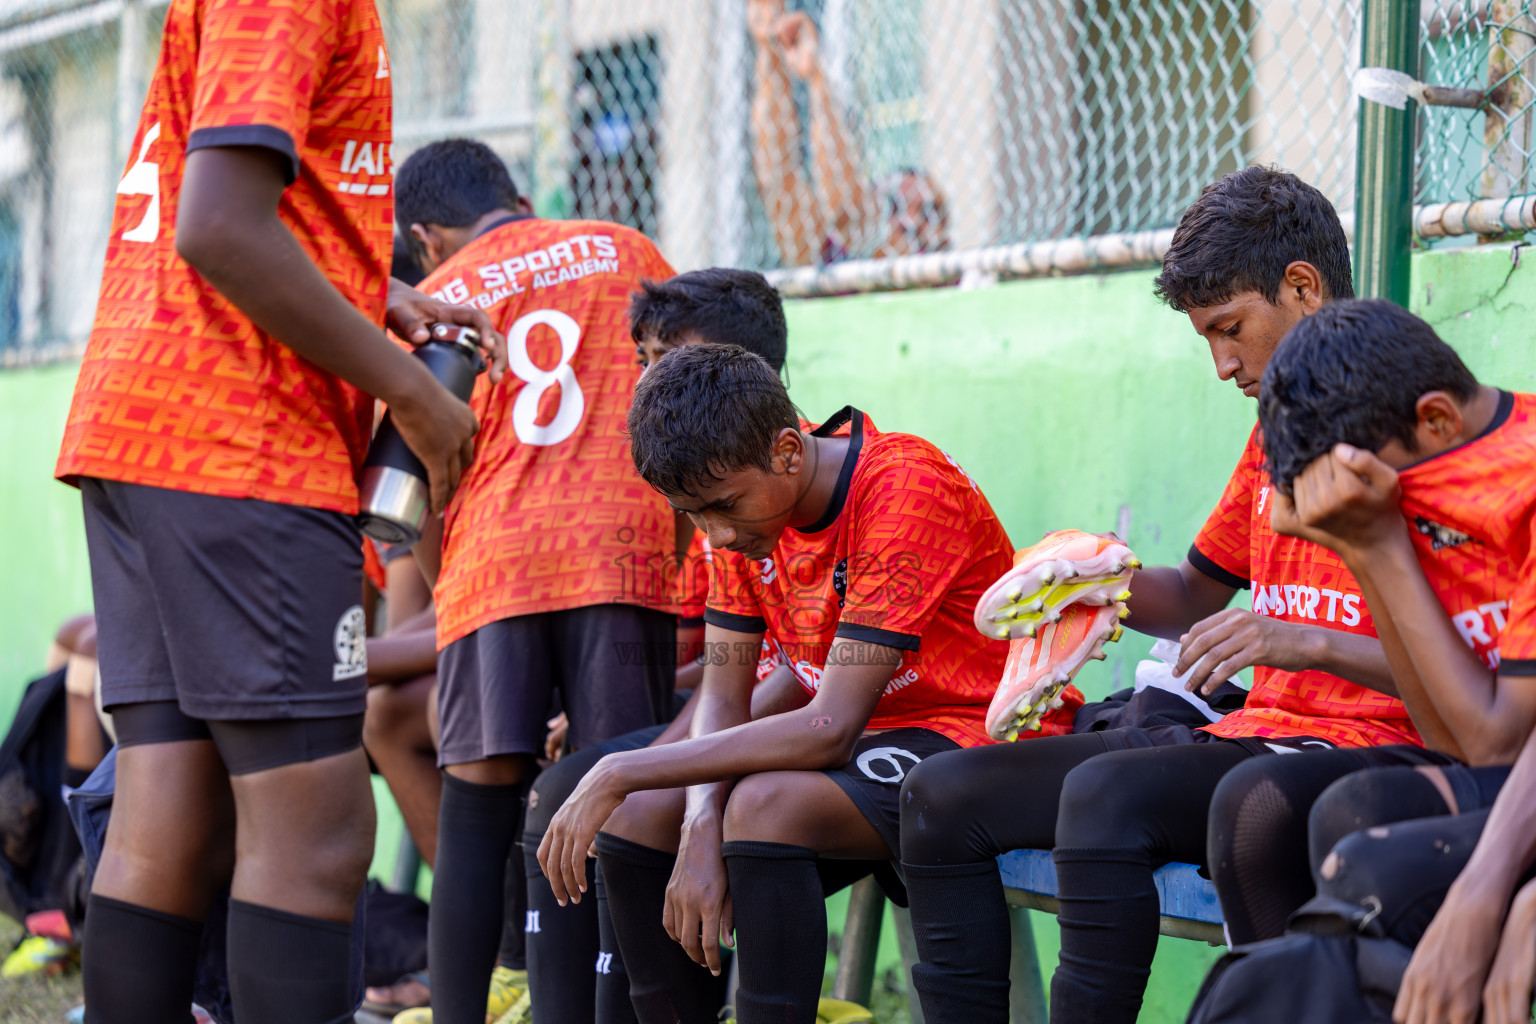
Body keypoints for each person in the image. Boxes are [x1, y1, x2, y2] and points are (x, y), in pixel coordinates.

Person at [893, 167, 1469, 1024]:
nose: (1223, 363)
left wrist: (1295, 641)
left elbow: (1469, 681)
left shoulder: (1424, 432)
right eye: (1207, 337)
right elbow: (1200, 593)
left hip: (1357, 742)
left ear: (1302, 288)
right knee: (940, 796)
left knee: (1112, 797)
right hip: (1253, 727)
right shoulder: (1274, 429)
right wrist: (1092, 578)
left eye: (1230, 330)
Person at [52, 0, 504, 1017]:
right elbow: (217, 225)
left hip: (146, 428)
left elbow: (236, 197)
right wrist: (414, 391)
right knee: (319, 831)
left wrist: (366, 284)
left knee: (168, 815)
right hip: (240, 438)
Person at [538, 342, 1081, 1024]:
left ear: (789, 452)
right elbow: (724, 695)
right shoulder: (745, 520)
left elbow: (828, 726)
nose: (716, 534)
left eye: (722, 507)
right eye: (695, 516)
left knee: (763, 805)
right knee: (644, 818)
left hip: (976, 733)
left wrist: (623, 766)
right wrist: (697, 816)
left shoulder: (901, 484)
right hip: (867, 747)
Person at [393, 138, 684, 1024]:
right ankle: (621, 1009)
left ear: (424, 239)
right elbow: (685, 390)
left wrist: (455, 592)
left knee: (477, 821)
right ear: (517, 195)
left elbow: (415, 475)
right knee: (619, 804)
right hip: (623, 553)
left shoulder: (440, 296)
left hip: (493, 563)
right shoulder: (627, 248)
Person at [1235, 298, 1536, 1024]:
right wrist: (1359, 547)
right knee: (1337, 812)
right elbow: (1458, 746)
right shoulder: (1423, 473)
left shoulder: (1511, 480)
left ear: (1436, 421)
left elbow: (1497, 743)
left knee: (1376, 865)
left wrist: (1379, 547)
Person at [520, 267, 807, 1024]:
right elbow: (726, 676)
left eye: (666, 358)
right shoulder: (714, 491)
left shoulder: (789, 477)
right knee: (576, 792)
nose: (649, 378)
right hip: (761, 711)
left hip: (847, 724)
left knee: (638, 805)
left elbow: (809, 682)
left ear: (734, 367)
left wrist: (673, 788)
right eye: (644, 359)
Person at [748, 0, 948, 265]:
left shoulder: (947, 283)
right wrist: (772, 48)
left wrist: (819, 82)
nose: (910, 221)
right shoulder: (833, 262)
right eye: (895, 205)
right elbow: (779, 179)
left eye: (928, 212)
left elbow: (847, 209)